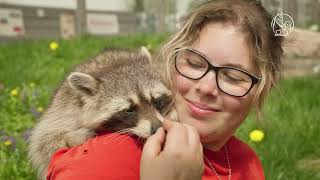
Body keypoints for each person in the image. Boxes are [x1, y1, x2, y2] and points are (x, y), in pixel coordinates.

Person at [46, 0, 283, 179]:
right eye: (194, 63)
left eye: (233, 76)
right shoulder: (105, 161)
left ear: (262, 90)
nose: (206, 87)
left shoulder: (247, 163)